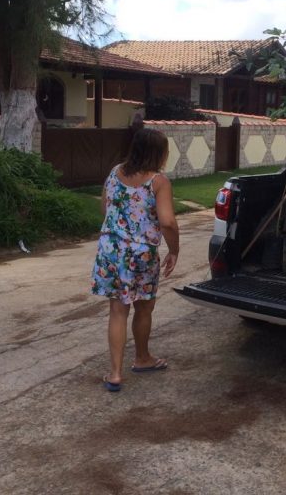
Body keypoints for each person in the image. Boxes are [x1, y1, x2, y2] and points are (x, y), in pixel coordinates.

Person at [90, 128, 179, 393]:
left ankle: (115, 373)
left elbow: (106, 209)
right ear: (159, 153)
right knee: (143, 309)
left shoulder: (115, 172)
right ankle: (142, 358)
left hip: (111, 250)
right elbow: (167, 222)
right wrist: (174, 250)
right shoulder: (158, 182)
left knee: (117, 311)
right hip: (141, 254)